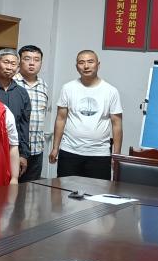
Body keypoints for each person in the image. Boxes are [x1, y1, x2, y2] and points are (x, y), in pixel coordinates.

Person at [49, 50, 123, 180]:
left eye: (90, 62)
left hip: (100, 154)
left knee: (98, 191)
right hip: (70, 151)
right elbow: (61, 119)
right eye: (81, 62)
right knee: (65, 190)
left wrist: (116, 155)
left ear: (98, 65)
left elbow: (117, 124)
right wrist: (55, 148)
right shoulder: (68, 88)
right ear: (76, 66)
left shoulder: (111, 91)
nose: (86, 66)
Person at [0, 49, 32, 179]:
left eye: (13, 64)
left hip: (13, 151)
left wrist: (23, 154)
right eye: (6, 62)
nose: (9, 67)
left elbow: (24, 126)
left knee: (12, 187)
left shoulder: (22, 93)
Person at [16, 45, 49, 183]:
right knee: (11, 190)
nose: (32, 63)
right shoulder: (12, 82)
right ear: (19, 61)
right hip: (16, 149)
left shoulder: (44, 85)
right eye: (27, 59)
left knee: (33, 190)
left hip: (37, 149)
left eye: (36, 59)